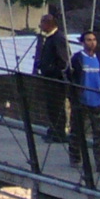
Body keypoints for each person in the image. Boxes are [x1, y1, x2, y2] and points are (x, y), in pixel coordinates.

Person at [68, 30, 100, 171]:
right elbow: (70, 77)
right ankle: (75, 157)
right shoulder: (77, 59)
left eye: (94, 40)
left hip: (97, 100)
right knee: (77, 130)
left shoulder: (99, 58)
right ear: (82, 42)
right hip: (81, 100)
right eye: (88, 40)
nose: (92, 43)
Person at [33, 14, 71, 143]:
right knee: (51, 106)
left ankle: (58, 133)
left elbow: (63, 60)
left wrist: (51, 70)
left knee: (56, 106)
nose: (40, 26)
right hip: (50, 78)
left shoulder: (57, 38)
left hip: (55, 80)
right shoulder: (51, 38)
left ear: (49, 24)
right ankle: (53, 130)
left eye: (42, 23)